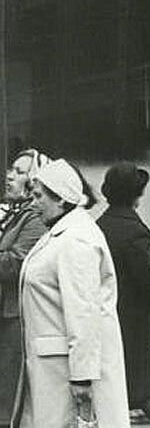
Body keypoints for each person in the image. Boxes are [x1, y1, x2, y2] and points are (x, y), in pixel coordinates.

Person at [16, 159, 129, 428]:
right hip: (53, 367)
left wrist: (82, 376)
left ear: (62, 198)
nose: (33, 203)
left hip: (66, 372)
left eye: (38, 196)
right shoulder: (60, 233)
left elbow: (84, 312)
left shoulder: (76, 239)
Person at [97, 163, 150, 428]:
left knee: (121, 384)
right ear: (137, 194)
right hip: (132, 318)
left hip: (107, 313)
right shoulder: (133, 231)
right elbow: (149, 279)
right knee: (140, 383)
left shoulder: (100, 225)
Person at [0, 149, 47, 426]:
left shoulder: (34, 216)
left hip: (14, 315)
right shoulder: (11, 214)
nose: (9, 176)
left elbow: (19, 261)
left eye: (19, 172)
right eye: (11, 169)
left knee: (9, 394)